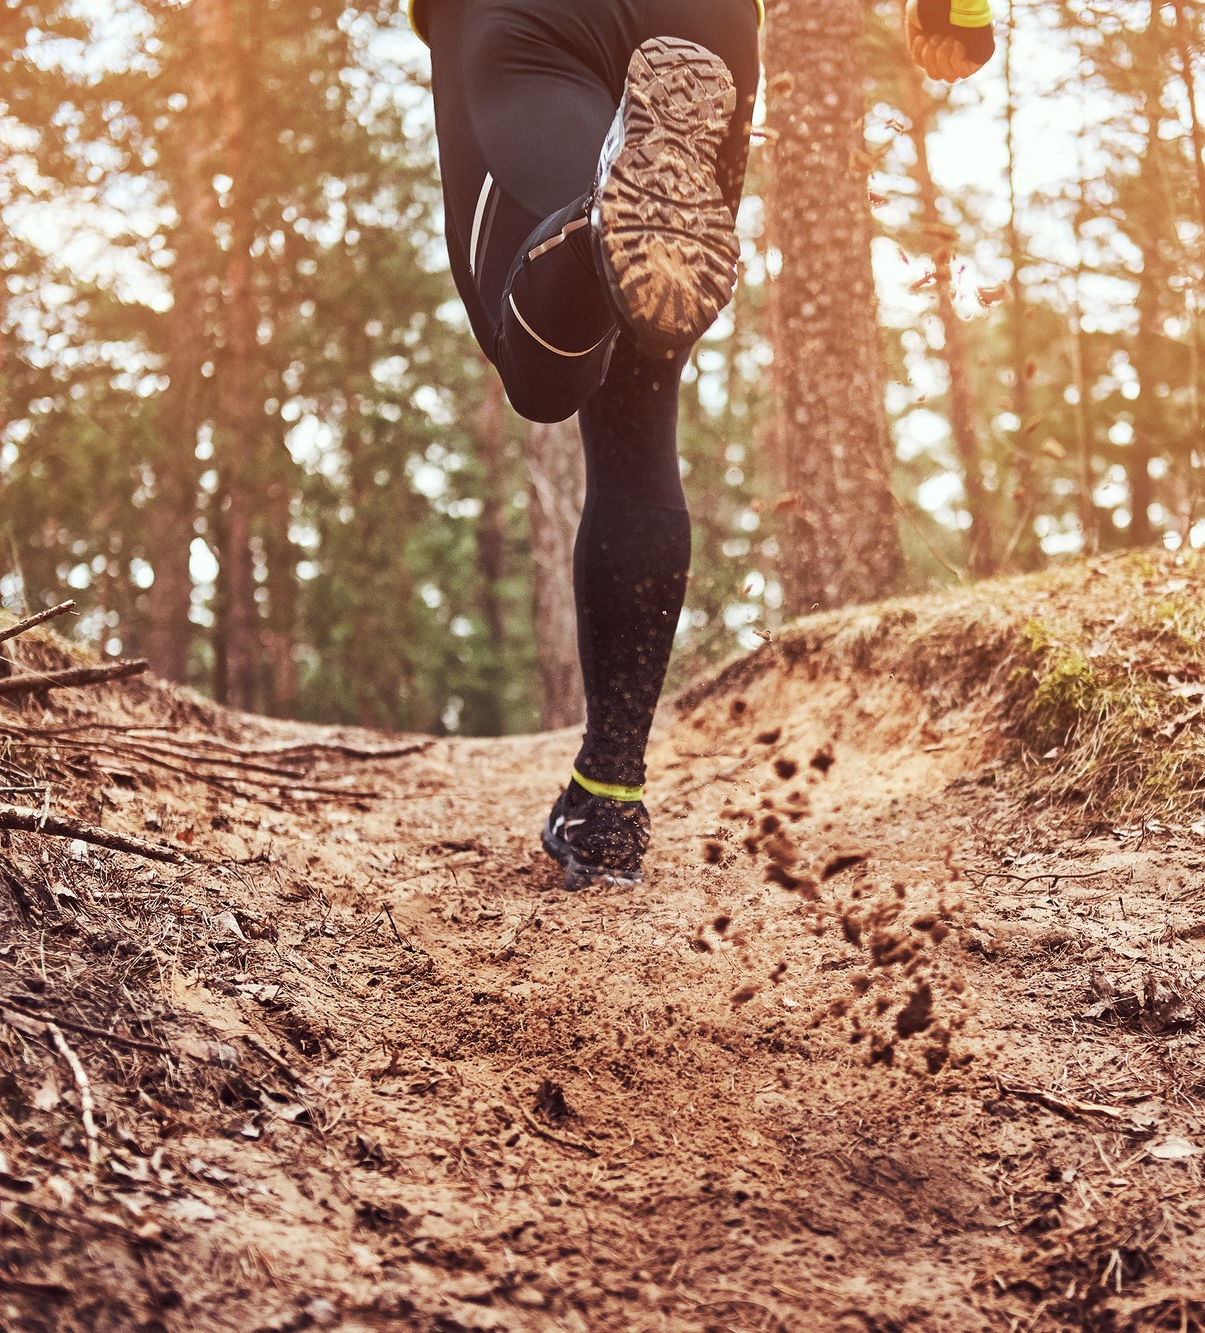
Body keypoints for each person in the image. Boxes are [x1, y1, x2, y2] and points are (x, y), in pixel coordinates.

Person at [409, 0, 995, 888]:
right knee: (640, 421)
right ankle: (607, 801)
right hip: (702, 24)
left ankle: (595, 223)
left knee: (536, 359)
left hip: (532, 21)